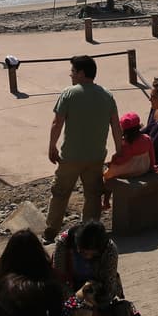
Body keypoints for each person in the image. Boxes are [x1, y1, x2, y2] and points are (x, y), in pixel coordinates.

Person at [44, 55, 121, 243]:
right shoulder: (107, 96)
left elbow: (57, 122)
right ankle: (89, 233)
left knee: (60, 193)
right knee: (93, 196)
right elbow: (116, 127)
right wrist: (119, 152)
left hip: (71, 157)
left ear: (81, 73)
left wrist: (52, 145)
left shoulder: (69, 94)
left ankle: (50, 232)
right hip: (96, 158)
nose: (70, 75)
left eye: (72, 71)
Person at [50, 220, 124, 307]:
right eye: (83, 253)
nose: (87, 257)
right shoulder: (64, 242)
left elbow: (109, 284)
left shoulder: (110, 249)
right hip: (69, 286)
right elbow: (58, 277)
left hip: (96, 288)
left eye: (93, 254)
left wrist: (99, 303)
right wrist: (74, 300)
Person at [101, 112, 156, 210]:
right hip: (143, 168)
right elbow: (152, 155)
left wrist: (113, 160)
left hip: (130, 171)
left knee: (107, 177)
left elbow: (123, 160)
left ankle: (106, 201)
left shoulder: (127, 144)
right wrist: (152, 166)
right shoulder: (147, 138)